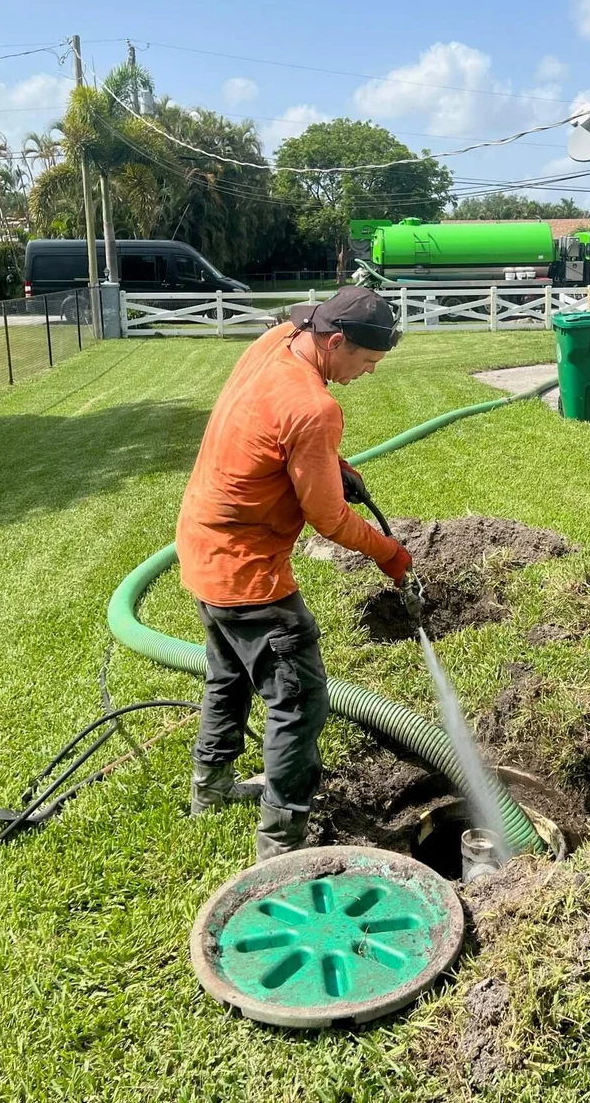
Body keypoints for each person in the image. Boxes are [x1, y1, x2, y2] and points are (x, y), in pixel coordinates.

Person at [176, 285, 413, 860]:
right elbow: (329, 519)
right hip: (248, 574)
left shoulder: (278, 340)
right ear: (334, 342)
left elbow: (272, 431)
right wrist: (387, 552)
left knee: (228, 676)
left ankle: (210, 789)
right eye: (366, 360)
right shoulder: (315, 408)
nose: (369, 372)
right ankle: (281, 842)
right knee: (300, 700)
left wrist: (330, 462)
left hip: (203, 547)